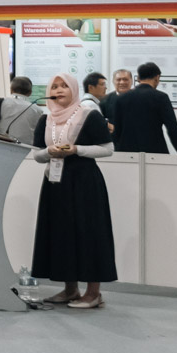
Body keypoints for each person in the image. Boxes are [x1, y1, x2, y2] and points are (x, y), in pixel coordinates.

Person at [30, 74, 116, 309]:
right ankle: (70, 290)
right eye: (54, 87)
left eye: (64, 86)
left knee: (88, 233)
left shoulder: (89, 115)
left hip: (85, 182)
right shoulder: (45, 119)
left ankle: (93, 293)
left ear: (74, 90)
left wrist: (76, 149)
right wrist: (49, 152)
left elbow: (108, 149)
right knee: (62, 234)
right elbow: (37, 154)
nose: (58, 90)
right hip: (55, 183)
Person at [109, 62, 177, 154]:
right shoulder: (161, 97)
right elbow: (173, 128)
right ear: (157, 78)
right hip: (154, 151)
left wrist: (117, 151)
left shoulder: (121, 98)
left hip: (126, 152)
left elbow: (117, 130)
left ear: (138, 78)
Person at [0, 76, 44, 141]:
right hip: (26, 146)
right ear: (30, 92)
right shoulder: (38, 110)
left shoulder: (0, 102)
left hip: (0, 144)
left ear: (11, 90)